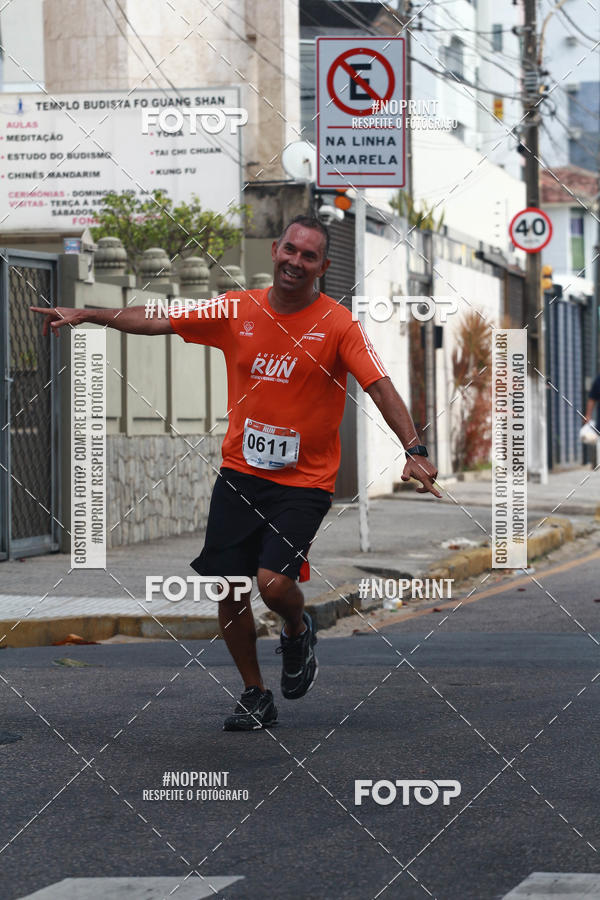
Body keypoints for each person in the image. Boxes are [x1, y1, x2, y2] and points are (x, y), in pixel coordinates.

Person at [32, 215, 441, 732]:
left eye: (308, 255)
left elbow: (380, 386)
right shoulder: (237, 309)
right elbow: (159, 318)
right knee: (228, 587)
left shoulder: (338, 324)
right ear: (275, 249)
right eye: (290, 249)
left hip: (305, 481)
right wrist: (90, 313)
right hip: (241, 473)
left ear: (323, 266)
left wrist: (415, 448)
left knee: (272, 584)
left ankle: (297, 627)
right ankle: (255, 693)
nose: (295, 261)